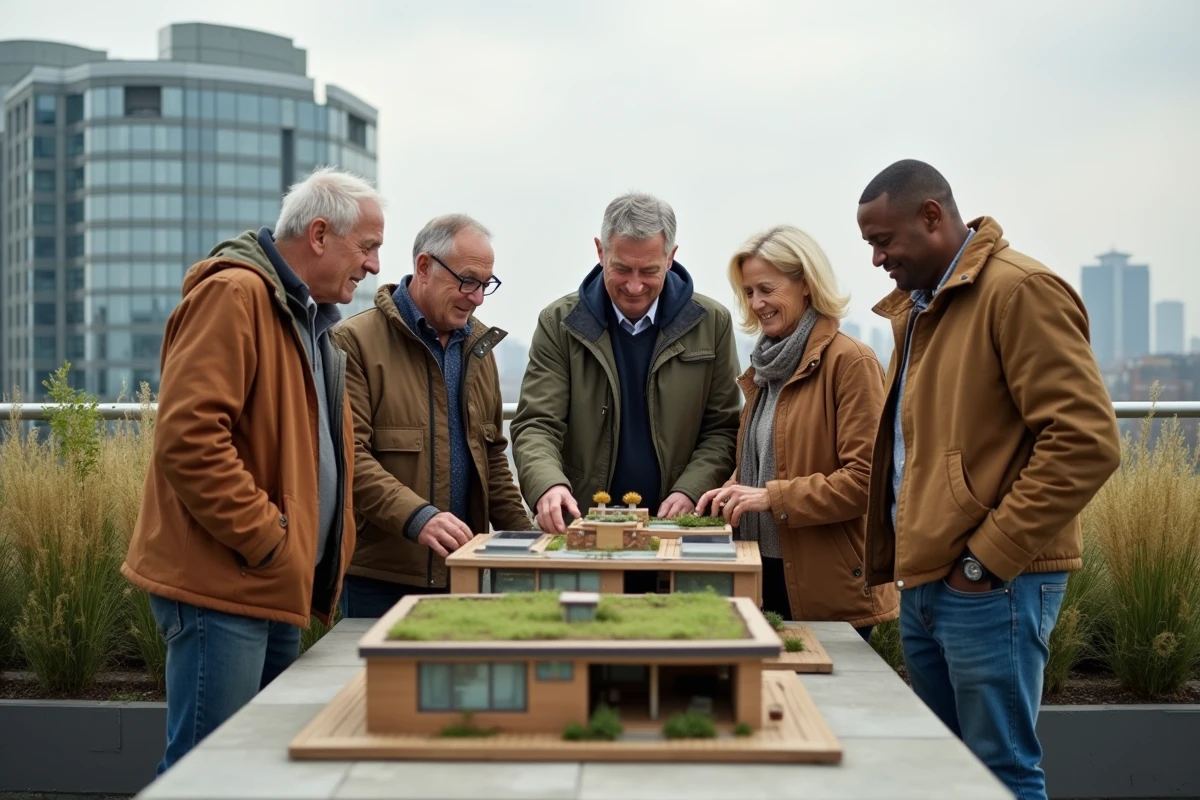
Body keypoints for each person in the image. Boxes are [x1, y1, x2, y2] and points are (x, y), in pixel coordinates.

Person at [857, 159, 1121, 800]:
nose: (876, 258)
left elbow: (1085, 441)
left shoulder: (1018, 291)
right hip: (929, 581)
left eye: (883, 240)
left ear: (931, 216)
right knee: (948, 775)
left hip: (990, 584)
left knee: (1001, 773)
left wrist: (984, 561)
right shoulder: (922, 309)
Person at [122, 167, 383, 772]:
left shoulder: (308, 319)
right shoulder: (234, 296)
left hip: (271, 582)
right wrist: (270, 540)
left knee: (254, 768)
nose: (374, 265)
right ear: (319, 234)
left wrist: (292, 554)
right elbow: (189, 439)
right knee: (206, 771)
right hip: (226, 584)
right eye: (368, 247)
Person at [696, 225, 898, 641]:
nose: (756, 303)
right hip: (761, 574)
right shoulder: (764, 368)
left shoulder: (850, 363)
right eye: (749, 292)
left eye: (766, 289)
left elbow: (867, 482)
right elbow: (770, 459)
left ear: (806, 284)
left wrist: (770, 497)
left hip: (825, 588)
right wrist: (734, 486)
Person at [511, 192, 741, 548]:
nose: (634, 286)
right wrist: (548, 485)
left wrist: (690, 489)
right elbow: (537, 424)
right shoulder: (559, 323)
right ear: (600, 251)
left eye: (649, 271)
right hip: (581, 527)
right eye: (621, 269)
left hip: (680, 530)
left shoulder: (713, 323)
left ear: (671, 257)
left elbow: (723, 429)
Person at [332, 214, 532, 617]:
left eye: (486, 285)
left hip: (465, 572)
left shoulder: (479, 348)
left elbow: (493, 458)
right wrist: (418, 518)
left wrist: (531, 541)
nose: (477, 298)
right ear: (424, 266)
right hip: (380, 578)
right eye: (468, 281)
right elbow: (350, 457)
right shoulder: (354, 342)